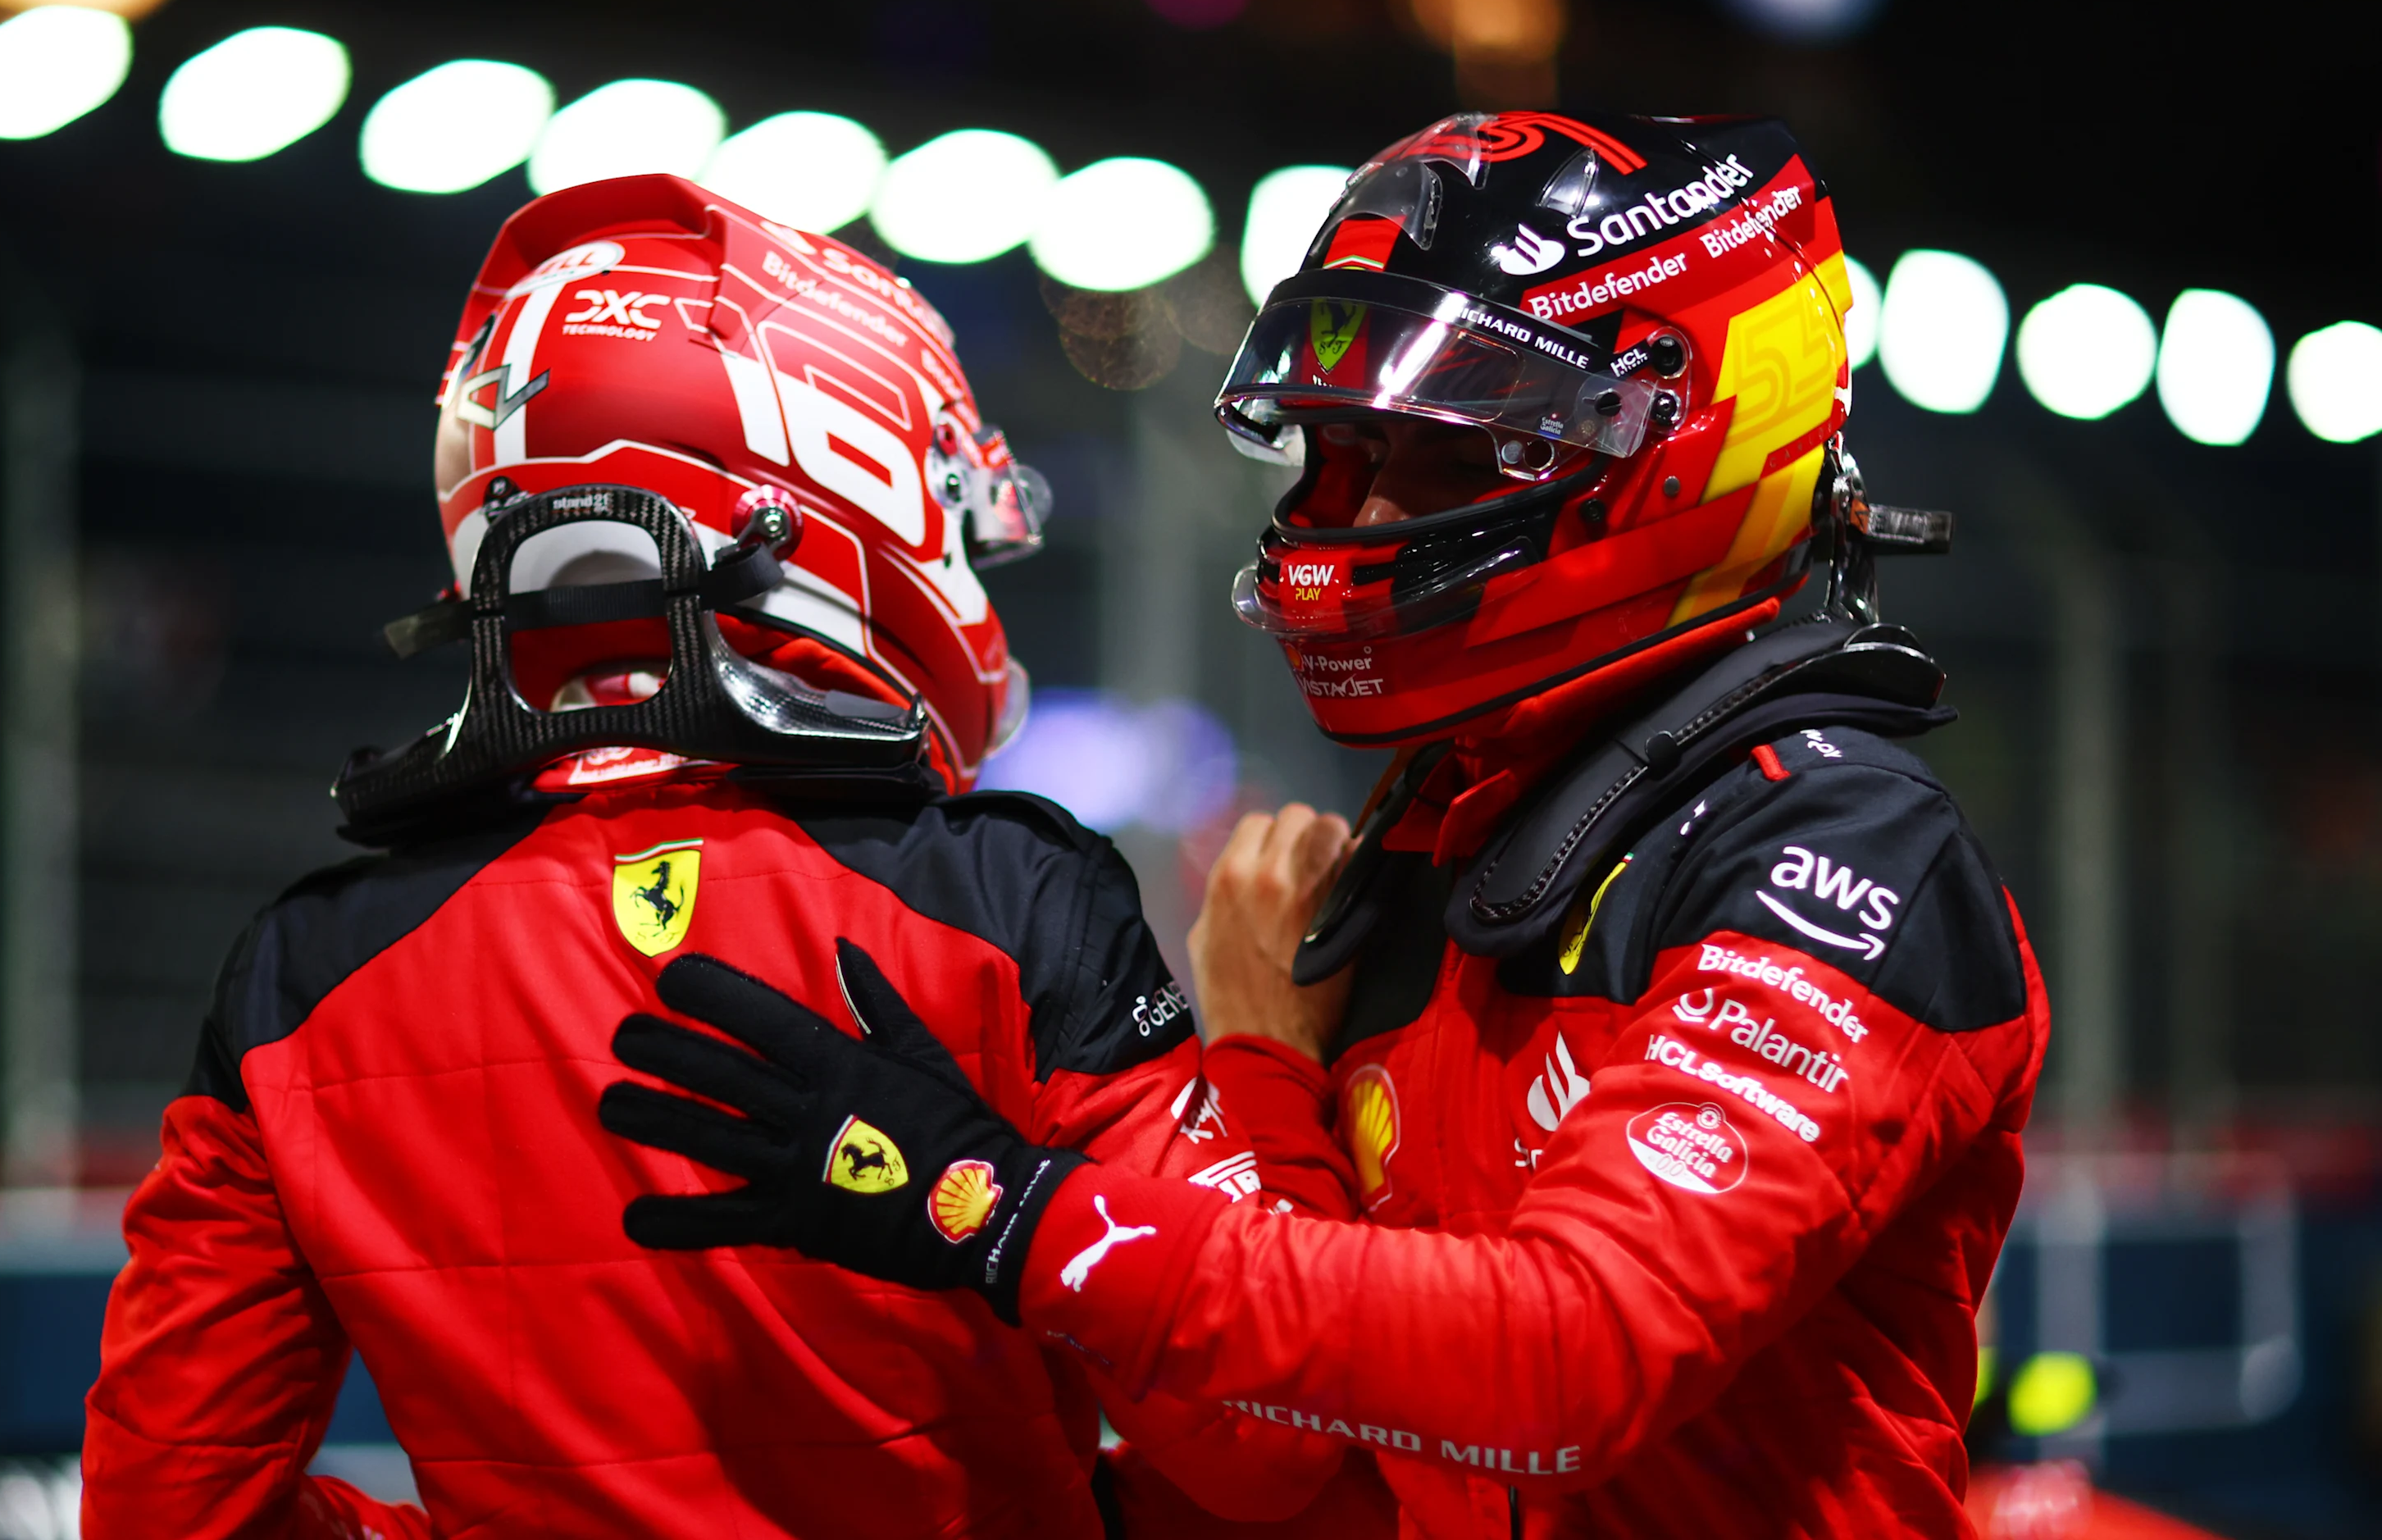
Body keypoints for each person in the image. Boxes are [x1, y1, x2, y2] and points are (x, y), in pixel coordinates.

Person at [599, 112, 2050, 1538]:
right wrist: (1262, 1079)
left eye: (1424, 452)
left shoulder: (1848, 846)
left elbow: (1567, 1362)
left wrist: (1001, 1209)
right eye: (1332, 455)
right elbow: (1344, 1443)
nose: (1339, 517)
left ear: (1673, 431)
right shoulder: (1449, 825)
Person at [79, 173, 1378, 1538]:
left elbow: (165, 1511)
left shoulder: (303, 969)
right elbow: (1277, 1441)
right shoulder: (1005, 898)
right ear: (835, 486)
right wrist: (1270, 1070)